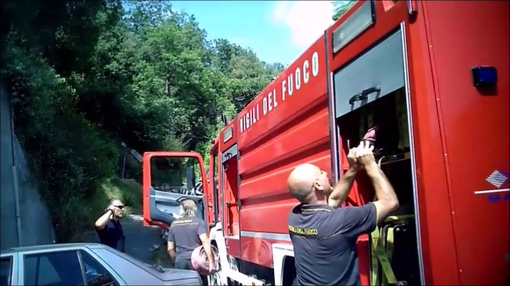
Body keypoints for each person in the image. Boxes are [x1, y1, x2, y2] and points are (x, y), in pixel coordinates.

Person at [287, 141, 399, 286]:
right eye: (321, 172)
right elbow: (390, 202)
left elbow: (333, 201)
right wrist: (370, 163)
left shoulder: (294, 216)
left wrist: (353, 168)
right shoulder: (342, 220)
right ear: (318, 185)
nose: (326, 173)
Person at [167, 199, 215, 284]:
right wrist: (211, 262)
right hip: (196, 262)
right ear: (193, 209)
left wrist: (177, 260)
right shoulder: (198, 222)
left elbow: (170, 249)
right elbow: (205, 242)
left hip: (180, 261)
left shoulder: (173, 224)